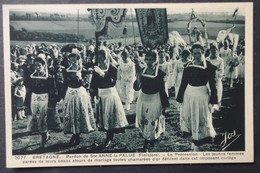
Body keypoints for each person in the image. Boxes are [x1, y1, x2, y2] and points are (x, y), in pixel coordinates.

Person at [176, 43, 218, 151]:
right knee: (191, 118)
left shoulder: (209, 67)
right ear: (192, 54)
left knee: (200, 119)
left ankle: (197, 143)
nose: (197, 56)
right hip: (189, 96)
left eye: (199, 53)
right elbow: (183, 83)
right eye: (195, 53)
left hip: (202, 97)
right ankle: (194, 141)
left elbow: (213, 85)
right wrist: (179, 98)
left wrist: (213, 100)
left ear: (203, 53)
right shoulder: (188, 66)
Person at [91, 48, 128, 148]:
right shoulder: (96, 68)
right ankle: (107, 136)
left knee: (110, 116)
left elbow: (113, 82)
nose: (99, 60)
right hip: (101, 94)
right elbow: (93, 83)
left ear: (105, 57)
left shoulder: (112, 68)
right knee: (104, 118)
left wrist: (103, 74)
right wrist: (94, 95)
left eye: (101, 58)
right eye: (97, 58)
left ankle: (109, 137)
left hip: (110, 95)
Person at [134, 50, 169, 152]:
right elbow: (136, 88)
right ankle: (149, 138)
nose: (149, 62)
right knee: (144, 120)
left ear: (155, 61)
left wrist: (165, 105)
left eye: (151, 60)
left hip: (155, 100)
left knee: (152, 120)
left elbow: (162, 90)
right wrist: (138, 80)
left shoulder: (161, 74)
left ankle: (147, 143)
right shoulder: (142, 72)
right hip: (143, 99)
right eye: (147, 59)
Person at [63, 49, 96, 146]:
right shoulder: (67, 70)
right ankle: (74, 133)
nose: (73, 62)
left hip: (80, 94)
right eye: (71, 60)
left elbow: (86, 84)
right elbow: (65, 82)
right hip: (70, 93)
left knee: (79, 113)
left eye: (75, 59)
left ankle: (77, 134)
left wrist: (80, 77)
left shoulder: (83, 70)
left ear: (78, 60)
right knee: (71, 113)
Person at [27, 54, 59, 148]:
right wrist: (27, 103)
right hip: (34, 100)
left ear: (43, 66)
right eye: (35, 65)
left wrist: (52, 103)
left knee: (43, 119)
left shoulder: (49, 77)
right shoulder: (31, 77)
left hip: (44, 101)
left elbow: (53, 91)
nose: (37, 67)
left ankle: (42, 140)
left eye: (39, 65)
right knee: (37, 120)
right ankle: (46, 135)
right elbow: (29, 90)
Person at [206, 42, 224, 107]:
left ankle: (216, 104)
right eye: (212, 49)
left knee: (217, 90)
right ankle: (210, 104)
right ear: (210, 50)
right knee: (209, 91)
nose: (213, 51)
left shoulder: (220, 60)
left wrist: (216, 75)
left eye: (215, 49)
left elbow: (221, 70)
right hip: (208, 79)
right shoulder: (206, 59)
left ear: (217, 50)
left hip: (216, 78)